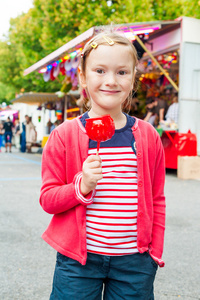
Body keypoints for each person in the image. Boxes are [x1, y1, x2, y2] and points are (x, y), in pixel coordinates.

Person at [40, 32, 166, 300]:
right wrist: (82, 185)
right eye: (99, 70)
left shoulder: (147, 136)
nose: (111, 81)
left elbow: (157, 199)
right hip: (79, 262)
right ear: (83, 77)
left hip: (135, 262)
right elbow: (48, 200)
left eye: (122, 72)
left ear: (133, 79)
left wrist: (155, 251)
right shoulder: (64, 136)